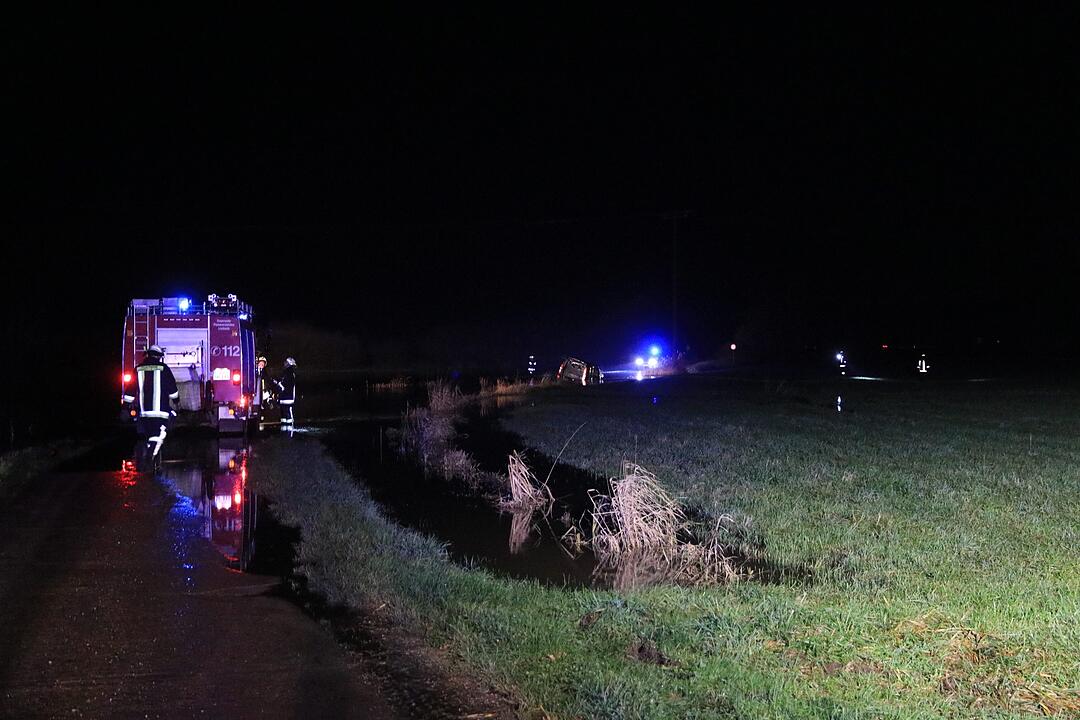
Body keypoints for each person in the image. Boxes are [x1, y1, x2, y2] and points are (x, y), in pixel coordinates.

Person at [121, 345, 179, 463]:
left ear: (148, 354)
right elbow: (172, 388)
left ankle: (151, 458)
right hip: (161, 412)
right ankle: (150, 458)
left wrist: (125, 407)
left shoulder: (138, 369)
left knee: (150, 435)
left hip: (145, 412)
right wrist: (176, 400)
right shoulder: (164, 368)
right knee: (158, 435)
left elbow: (130, 390)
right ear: (158, 356)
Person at [275, 357, 297, 429]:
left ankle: (290, 432)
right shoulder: (286, 373)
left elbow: (286, 385)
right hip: (283, 398)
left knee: (288, 417)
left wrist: (278, 383)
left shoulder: (290, 374)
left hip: (288, 398)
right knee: (283, 417)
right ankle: (284, 431)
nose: (284, 363)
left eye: (286, 362)